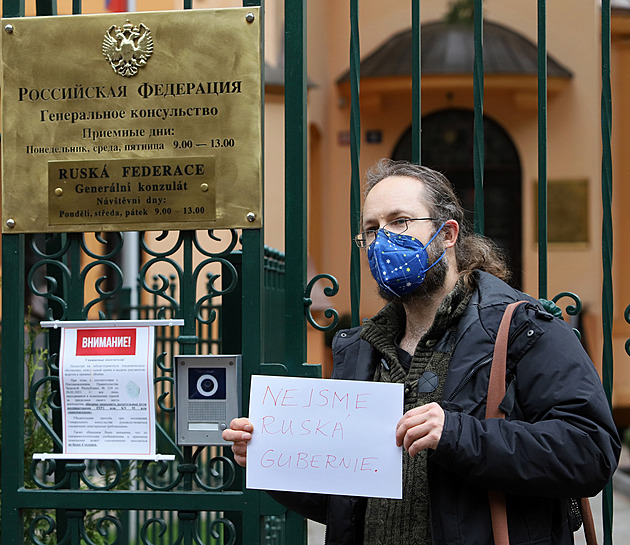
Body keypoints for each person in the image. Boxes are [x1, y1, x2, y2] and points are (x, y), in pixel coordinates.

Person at [223, 159, 621, 545]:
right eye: (372, 229)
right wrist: (272, 458)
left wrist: (457, 433)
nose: (383, 239)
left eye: (400, 221)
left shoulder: (524, 329)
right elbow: (344, 502)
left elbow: (590, 451)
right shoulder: (362, 350)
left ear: (448, 234)